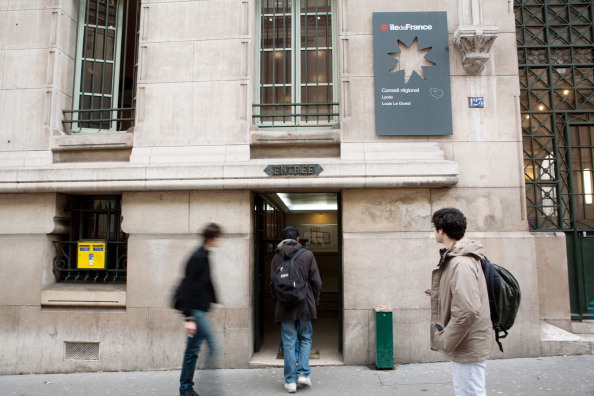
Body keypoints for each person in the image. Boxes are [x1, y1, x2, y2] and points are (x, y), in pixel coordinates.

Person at [429, 208, 494, 396]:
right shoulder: (460, 257)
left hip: (467, 341)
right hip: (467, 339)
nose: (434, 232)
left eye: (434, 228)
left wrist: (445, 339)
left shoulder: (460, 263)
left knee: (469, 392)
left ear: (441, 230)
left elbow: (467, 310)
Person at [271, 226, 322, 393]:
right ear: (298, 239)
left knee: (288, 342)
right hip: (305, 303)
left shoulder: (276, 256)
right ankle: (304, 375)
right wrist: (314, 300)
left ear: (281, 239)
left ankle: (290, 381)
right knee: (306, 338)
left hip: (285, 306)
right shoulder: (307, 254)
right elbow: (317, 282)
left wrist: (277, 302)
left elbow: (273, 284)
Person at [177, 223, 222, 396]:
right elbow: (188, 285)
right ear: (211, 238)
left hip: (200, 309)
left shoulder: (204, 255)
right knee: (212, 346)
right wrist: (188, 317)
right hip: (195, 312)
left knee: (192, 352)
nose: (219, 240)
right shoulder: (198, 257)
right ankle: (209, 388)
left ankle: (186, 389)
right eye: (217, 237)